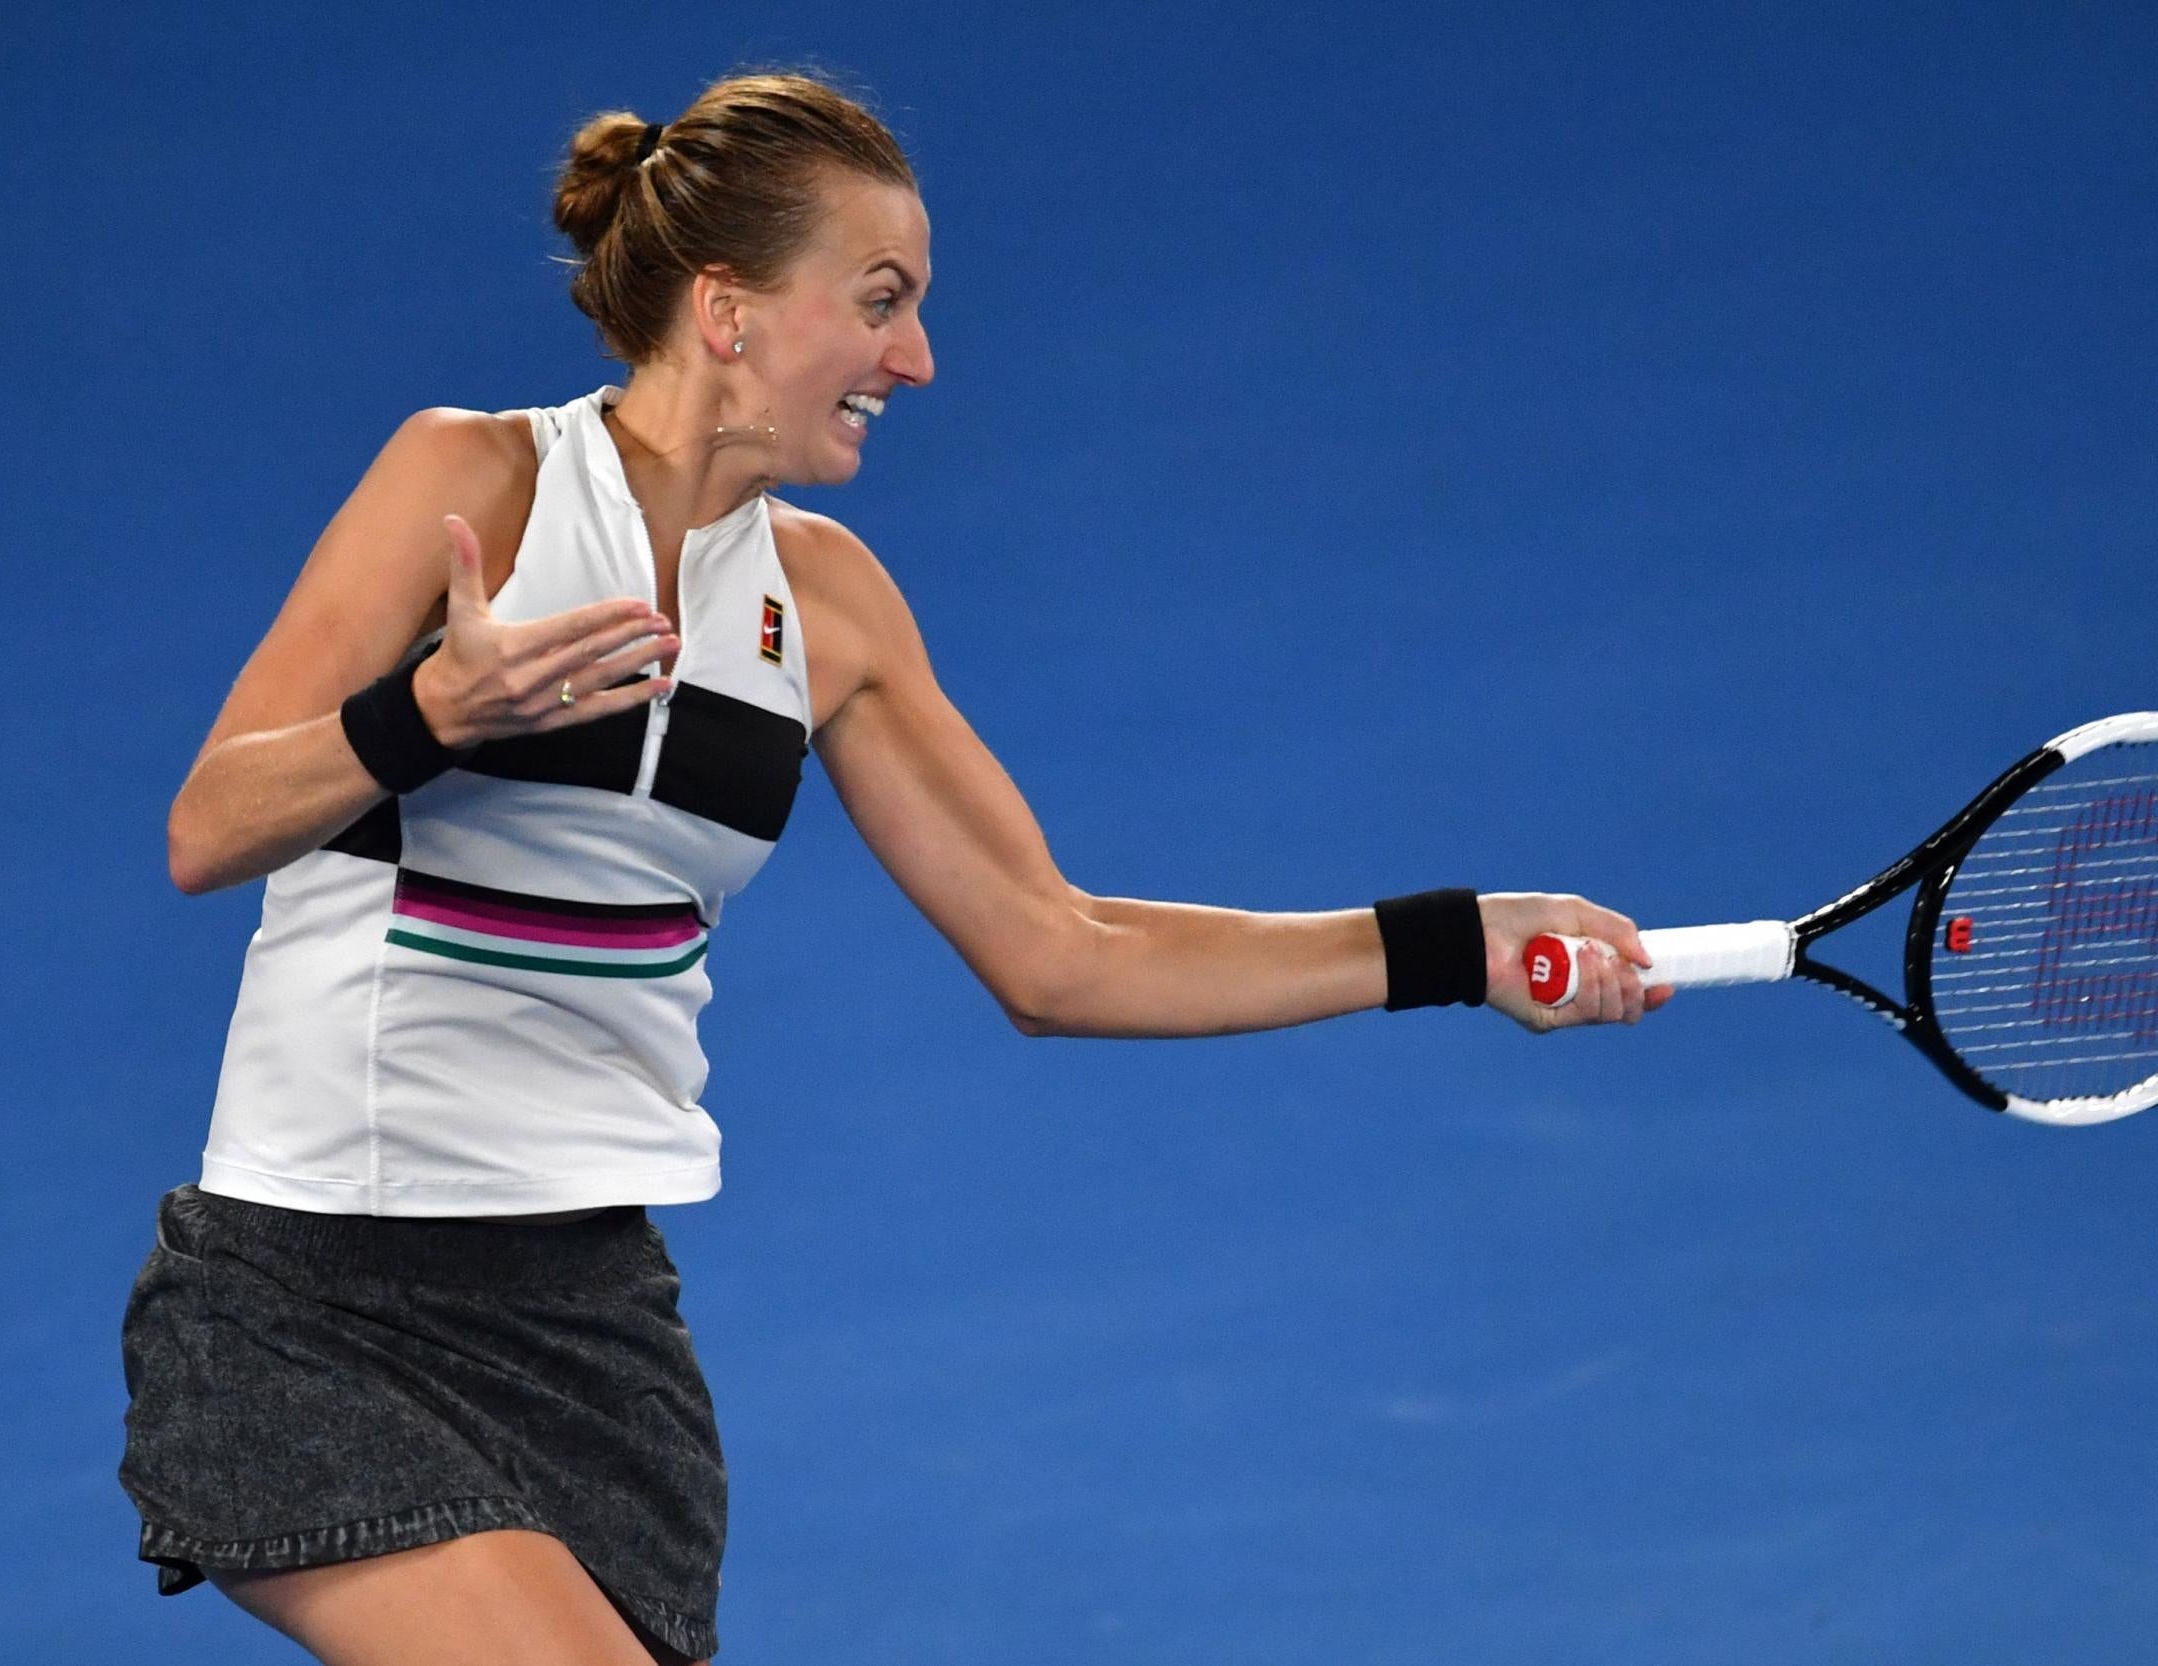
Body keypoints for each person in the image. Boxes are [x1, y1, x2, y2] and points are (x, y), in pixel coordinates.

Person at [120, 68, 1668, 1666]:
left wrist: (1458, 941)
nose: (916, 357)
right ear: (727, 310)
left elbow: (1061, 950)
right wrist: (427, 712)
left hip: (588, 1329)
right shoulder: (475, 481)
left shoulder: (831, 609)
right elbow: (208, 825)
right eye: (879, 301)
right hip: (312, 1300)